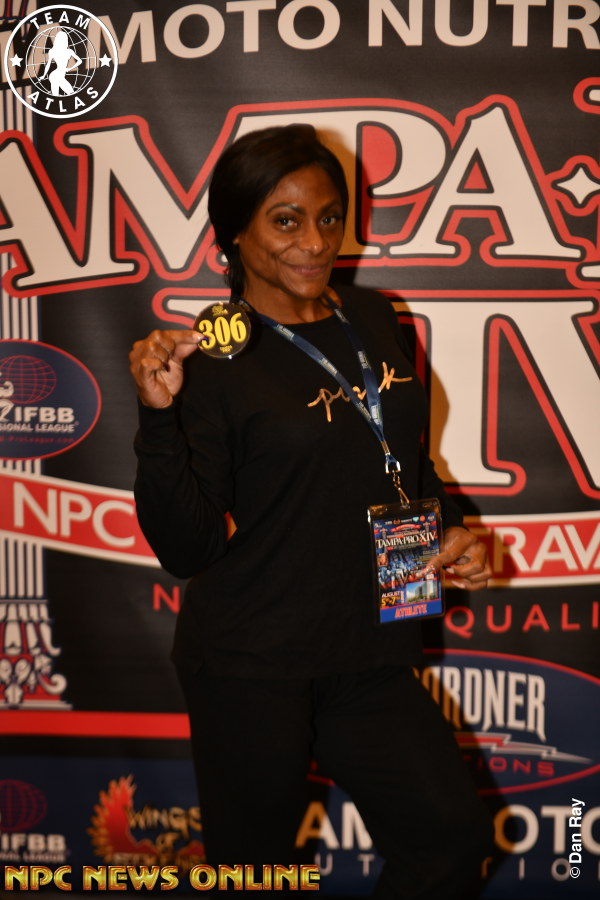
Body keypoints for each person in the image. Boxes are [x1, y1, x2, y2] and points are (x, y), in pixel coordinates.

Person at [129, 124, 493, 898]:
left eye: (330, 217)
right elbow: (187, 549)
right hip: (251, 662)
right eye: (286, 220)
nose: (317, 242)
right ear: (234, 232)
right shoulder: (211, 355)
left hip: (370, 650)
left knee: (450, 838)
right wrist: (159, 418)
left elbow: (402, 461)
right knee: (257, 873)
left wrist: (451, 526)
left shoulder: (372, 315)